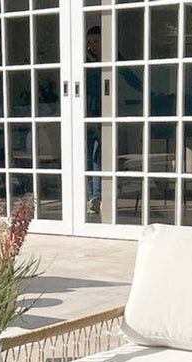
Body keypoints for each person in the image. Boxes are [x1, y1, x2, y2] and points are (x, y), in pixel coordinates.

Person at [85, 25, 102, 218]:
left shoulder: (114, 58)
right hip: (86, 115)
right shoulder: (84, 63)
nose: (93, 46)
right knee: (89, 158)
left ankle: (97, 197)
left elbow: (130, 75)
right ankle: (93, 198)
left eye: (96, 41)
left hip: (104, 115)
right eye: (90, 43)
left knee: (98, 158)